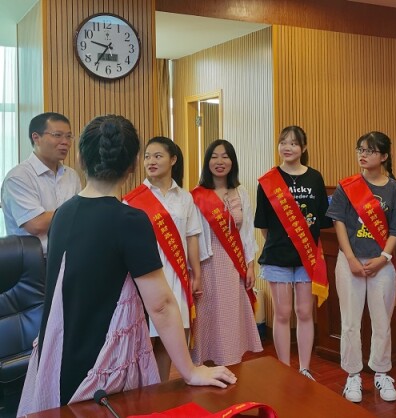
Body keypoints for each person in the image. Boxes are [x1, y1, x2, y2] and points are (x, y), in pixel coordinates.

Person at [16, 115, 236, 416]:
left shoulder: (62, 214)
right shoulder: (129, 220)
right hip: (103, 369)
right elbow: (160, 304)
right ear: (133, 164)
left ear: (81, 158)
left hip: (57, 358)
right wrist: (191, 370)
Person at [326, 131, 396, 403]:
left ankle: (381, 372)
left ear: (384, 156)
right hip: (349, 261)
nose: (363, 155)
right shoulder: (348, 186)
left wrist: (384, 257)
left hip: (381, 263)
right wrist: (350, 258)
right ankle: (352, 375)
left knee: (382, 321)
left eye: (370, 150)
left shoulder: (393, 189)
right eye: (360, 149)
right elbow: (338, 222)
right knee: (350, 322)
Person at [254, 125, 332, 380]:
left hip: (307, 258)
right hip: (277, 257)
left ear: (304, 147)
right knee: (283, 313)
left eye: (294, 143)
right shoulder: (268, 181)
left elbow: (321, 219)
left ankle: (304, 368)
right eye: (283, 142)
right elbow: (264, 225)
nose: (287, 147)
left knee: (305, 313)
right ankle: (285, 369)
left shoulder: (315, 178)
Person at [124, 136, 202, 382]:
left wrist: (196, 273)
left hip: (177, 275)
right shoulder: (132, 199)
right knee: (145, 339)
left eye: (158, 156)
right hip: (145, 276)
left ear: (173, 159)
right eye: (147, 157)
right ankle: (142, 391)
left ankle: (161, 388)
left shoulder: (185, 197)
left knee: (170, 339)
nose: (151, 161)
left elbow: (191, 236)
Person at [190, 139, 263, 366]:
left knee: (230, 315)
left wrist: (250, 265)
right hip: (206, 264)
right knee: (208, 315)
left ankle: (230, 362)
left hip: (233, 264)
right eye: (214, 157)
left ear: (232, 162)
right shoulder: (197, 195)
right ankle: (205, 365)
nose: (219, 161)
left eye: (225, 156)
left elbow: (247, 231)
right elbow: (192, 236)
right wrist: (195, 273)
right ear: (207, 162)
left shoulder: (241, 192)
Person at [1, 112, 81, 255]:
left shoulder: (71, 175)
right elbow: (36, 224)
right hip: (34, 261)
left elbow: (81, 219)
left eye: (69, 136)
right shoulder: (18, 177)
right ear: (36, 138)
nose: (65, 142)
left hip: (69, 257)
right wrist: (78, 211)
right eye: (57, 135)